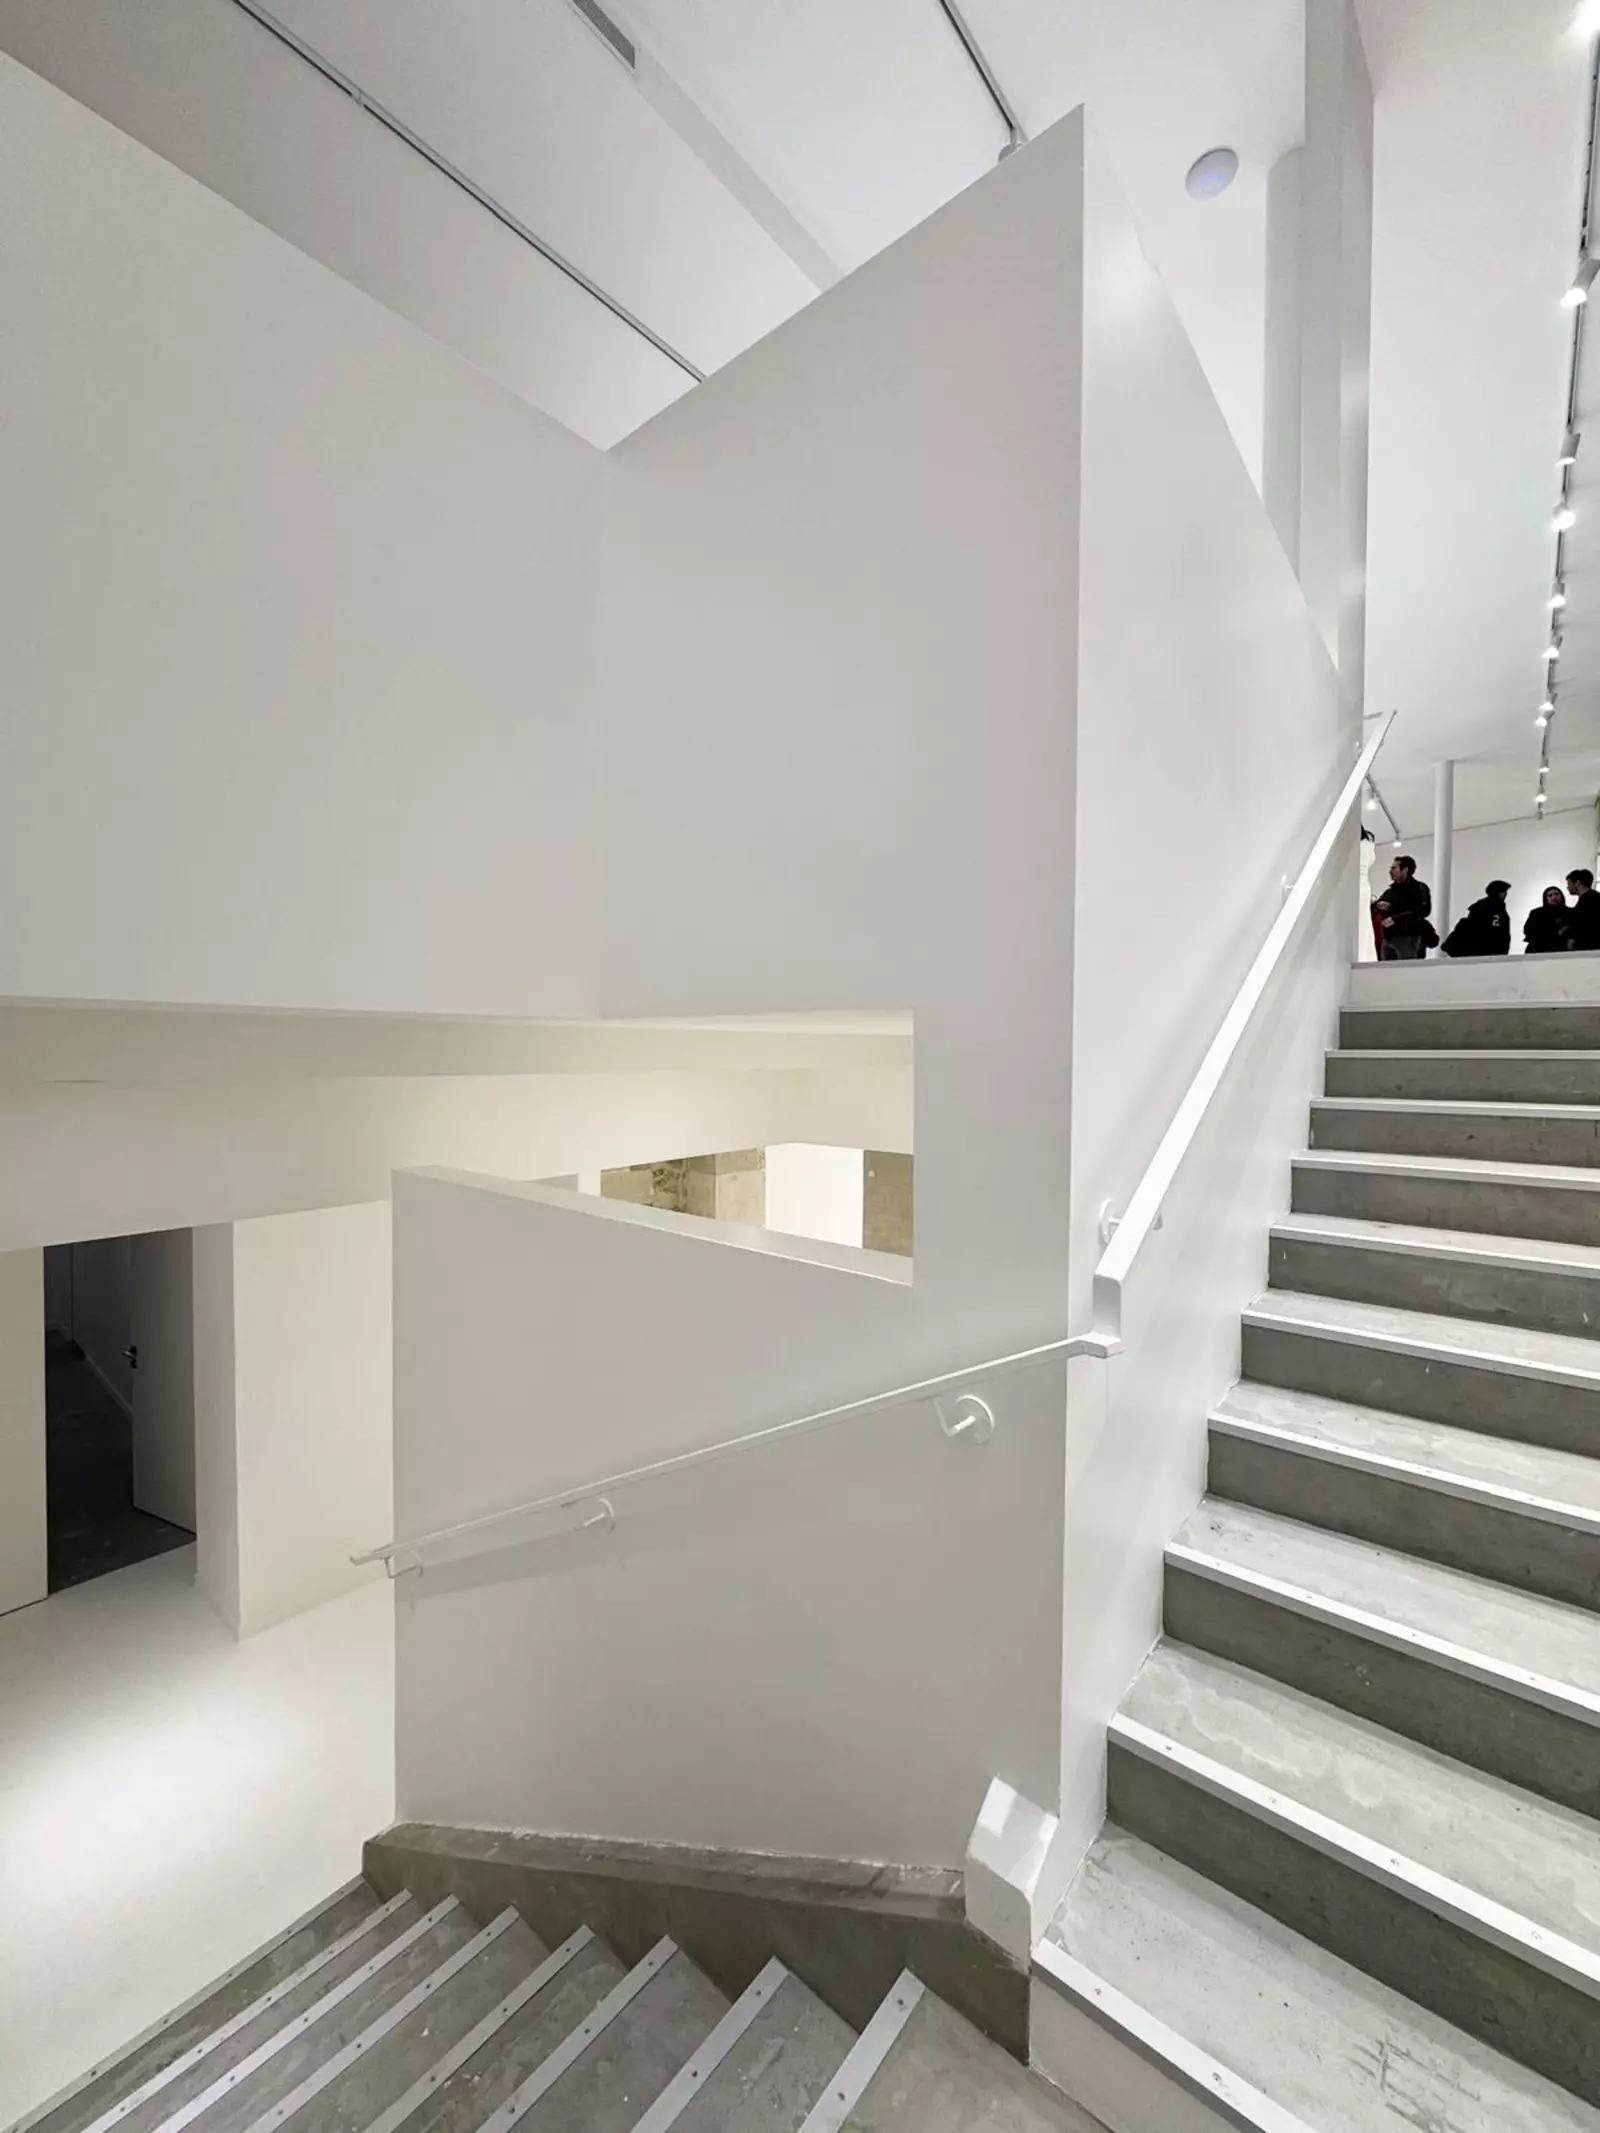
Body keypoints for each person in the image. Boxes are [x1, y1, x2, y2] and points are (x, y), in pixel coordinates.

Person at [1372, 854, 1433, 959]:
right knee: (1386, 969)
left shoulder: (1418, 888)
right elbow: (1376, 906)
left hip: (1407, 938)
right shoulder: (1390, 891)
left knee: (1407, 968)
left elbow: (1423, 910)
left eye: (1394, 868)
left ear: (1405, 870)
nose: (1390, 871)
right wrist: (1379, 906)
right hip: (1388, 939)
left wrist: (1396, 919)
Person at [1442, 881, 1511, 957]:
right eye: (1503, 891)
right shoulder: (1494, 909)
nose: (1506, 894)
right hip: (1486, 951)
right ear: (1496, 892)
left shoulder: (1489, 906)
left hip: (1484, 951)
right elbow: (1496, 931)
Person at [1524, 885, 1570, 954]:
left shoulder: (1570, 913)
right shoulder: (1537, 913)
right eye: (1550, 895)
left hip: (1563, 951)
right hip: (1538, 951)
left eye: (1556, 894)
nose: (1554, 897)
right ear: (1546, 898)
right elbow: (1528, 931)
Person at [1568, 868, 1600, 950]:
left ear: (1577, 883)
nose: (1567, 887)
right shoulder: (1593, 897)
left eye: (1569, 884)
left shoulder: (1591, 900)